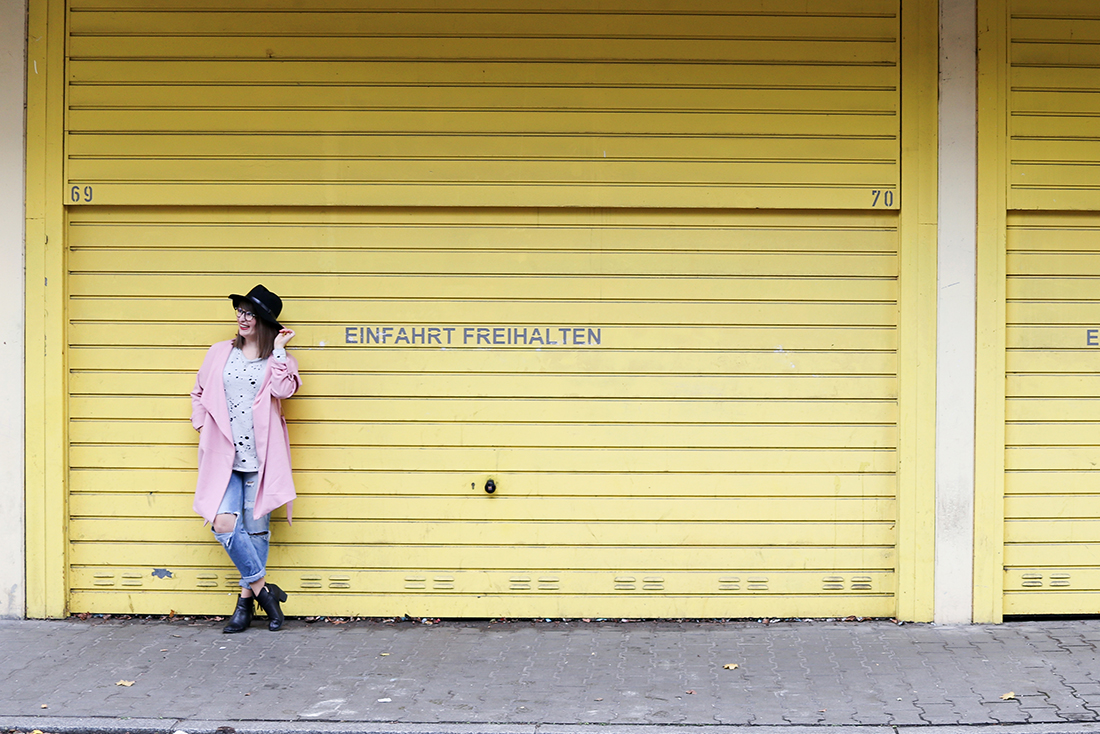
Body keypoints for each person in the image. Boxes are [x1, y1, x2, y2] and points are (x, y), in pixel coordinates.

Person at [190, 284, 302, 633]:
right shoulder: (219, 352)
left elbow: (284, 390)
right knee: (224, 523)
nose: (242, 318)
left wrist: (280, 352)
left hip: (261, 459)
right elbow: (198, 392)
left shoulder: (279, 361)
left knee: (256, 532)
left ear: (264, 321)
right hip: (223, 455)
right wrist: (201, 424)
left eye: (250, 313)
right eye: (240, 311)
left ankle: (244, 604)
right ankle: (265, 593)